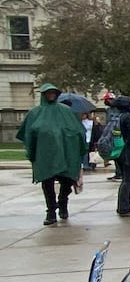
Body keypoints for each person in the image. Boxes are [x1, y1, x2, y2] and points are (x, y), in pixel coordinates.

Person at [16, 83, 87, 225]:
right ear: (43, 95)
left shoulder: (66, 112)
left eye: (53, 93)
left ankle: (63, 201)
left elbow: (79, 131)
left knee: (67, 180)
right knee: (47, 182)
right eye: (48, 93)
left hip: (66, 154)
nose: (51, 95)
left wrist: (80, 148)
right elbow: (28, 135)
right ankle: (51, 211)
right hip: (45, 155)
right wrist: (31, 151)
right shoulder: (35, 113)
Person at [102, 91, 123, 181]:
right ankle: (118, 172)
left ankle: (121, 173)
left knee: (119, 153)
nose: (106, 102)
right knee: (114, 154)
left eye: (107, 100)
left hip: (118, 134)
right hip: (110, 134)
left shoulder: (119, 109)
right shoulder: (108, 110)